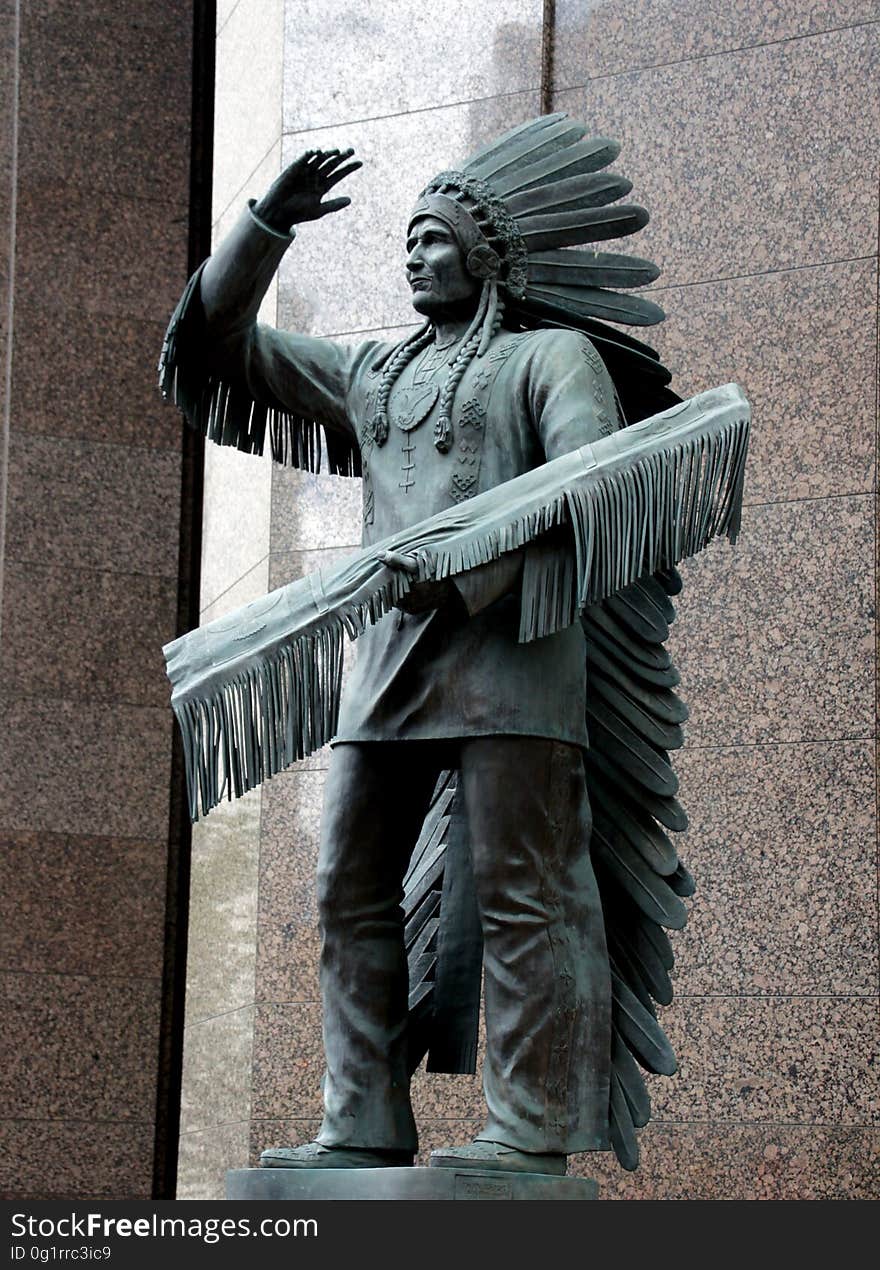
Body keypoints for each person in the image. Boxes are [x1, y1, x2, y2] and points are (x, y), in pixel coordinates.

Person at [165, 116, 686, 1174]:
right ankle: (362, 1115)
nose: (414, 253)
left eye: (435, 238)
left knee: (521, 891)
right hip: (388, 668)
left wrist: (463, 559)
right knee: (343, 887)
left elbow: (585, 485)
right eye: (405, 239)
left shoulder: (551, 358)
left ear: (485, 256)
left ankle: (525, 1127)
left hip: (514, 664)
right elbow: (219, 346)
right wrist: (266, 225)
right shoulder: (374, 378)